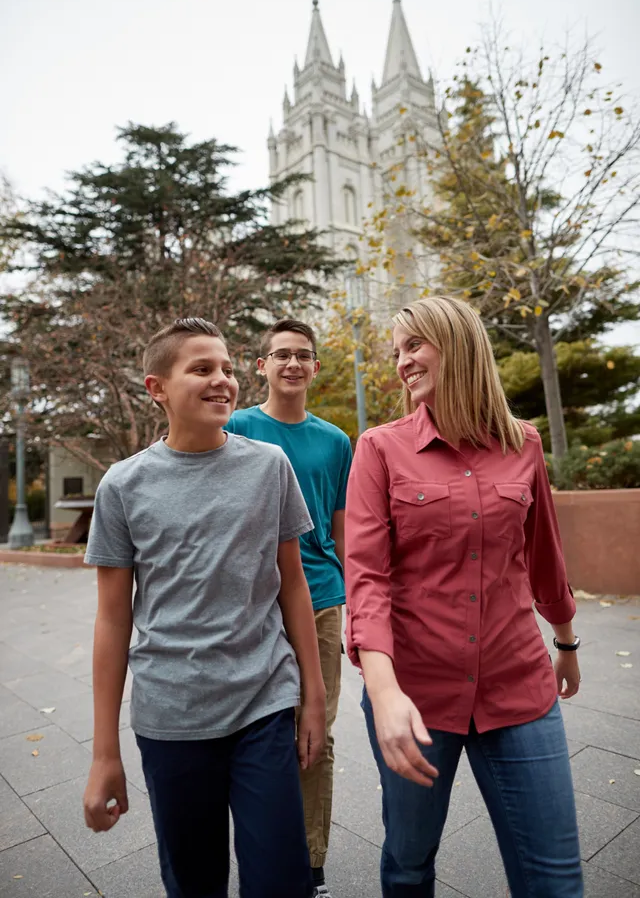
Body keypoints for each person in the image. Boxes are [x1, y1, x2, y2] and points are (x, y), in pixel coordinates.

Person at [345, 297, 583, 898]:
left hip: (519, 685)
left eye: (413, 345)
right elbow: (366, 577)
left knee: (556, 879)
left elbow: (544, 558)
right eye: (397, 350)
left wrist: (566, 641)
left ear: (456, 343)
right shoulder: (378, 447)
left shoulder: (524, 444)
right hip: (415, 695)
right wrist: (385, 690)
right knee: (408, 862)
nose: (402, 362)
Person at [82, 317, 326, 898]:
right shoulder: (122, 485)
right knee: (195, 882)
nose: (222, 381)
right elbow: (114, 618)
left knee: (281, 881)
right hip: (171, 717)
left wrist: (312, 698)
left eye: (225, 368)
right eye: (201, 369)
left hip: (263, 703)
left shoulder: (269, 466)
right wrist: (102, 753)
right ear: (156, 387)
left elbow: (293, 584)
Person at [226, 319, 353, 898]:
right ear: (262, 365)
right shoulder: (237, 425)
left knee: (314, 733)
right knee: (258, 732)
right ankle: (264, 846)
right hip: (253, 601)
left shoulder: (336, 442)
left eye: (303, 355)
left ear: (316, 367)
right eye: (281, 355)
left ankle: (311, 863)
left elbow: (341, 529)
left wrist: (359, 603)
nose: (292, 364)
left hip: (322, 599)